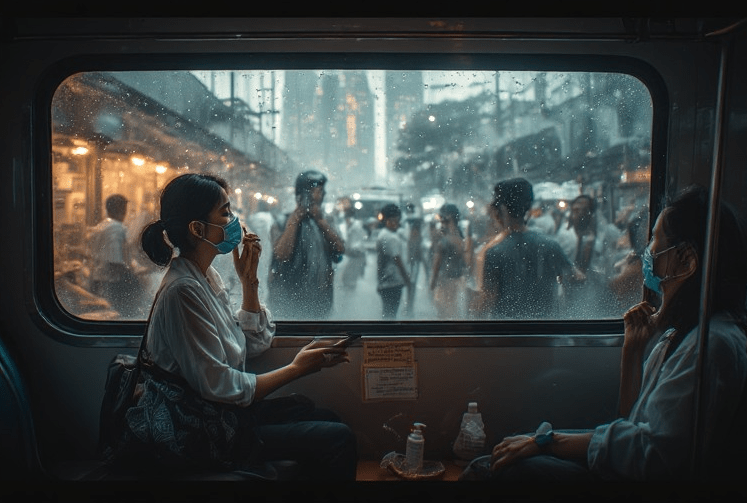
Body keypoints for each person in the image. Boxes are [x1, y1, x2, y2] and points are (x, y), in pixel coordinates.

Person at [460, 185, 747, 481]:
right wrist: (633, 352)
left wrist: (545, 442)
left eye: (655, 245)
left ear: (686, 261)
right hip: (628, 465)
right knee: (501, 454)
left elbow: (652, 453)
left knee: (491, 469)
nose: (647, 256)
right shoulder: (678, 335)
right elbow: (631, 422)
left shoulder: (710, 347)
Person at [126, 173, 357, 479]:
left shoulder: (206, 278)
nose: (234, 220)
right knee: (338, 437)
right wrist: (298, 368)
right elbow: (219, 386)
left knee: (320, 413)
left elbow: (249, 346)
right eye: (225, 212)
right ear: (197, 228)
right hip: (202, 430)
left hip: (221, 415)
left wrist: (250, 284)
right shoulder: (182, 292)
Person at [480, 178, 576, 320]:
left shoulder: (494, 252)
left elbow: (487, 301)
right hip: (547, 332)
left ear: (503, 209)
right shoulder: (551, 245)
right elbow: (575, 279)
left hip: (508, 334)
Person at [269, 171, 345, 320]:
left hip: (321, 298)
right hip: (288, 299)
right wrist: (295, 219)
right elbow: (282, 254)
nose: (323, 194)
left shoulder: (327, 220)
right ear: (305, 193)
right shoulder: (282, 222)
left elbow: (340, 249)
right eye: (319, 190)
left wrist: (321, 222)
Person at [565, 194, 623, 317]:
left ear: (592, 213)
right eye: (575, 210)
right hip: (572, 298)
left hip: (600, 297)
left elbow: (614, 262)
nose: (579, 214)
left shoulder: (608, 233)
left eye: (584, 210)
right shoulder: (565, 236)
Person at [89, 194, 142, 318]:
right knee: (121, 316)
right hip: (113, 283)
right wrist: (133, 277)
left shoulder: (101, 226)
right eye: (124, 209)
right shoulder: (117, 228)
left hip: (98, 281)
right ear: (123, 210)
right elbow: (115, 261)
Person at [429, 203, 468, 319]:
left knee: (444, 317)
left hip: (444, 283)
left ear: (448, 217)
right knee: (454, 315)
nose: (439, 219)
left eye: (441, 217)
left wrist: (432, 283)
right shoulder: (461, 238)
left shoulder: (444, 240)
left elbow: (436, 264)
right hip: (459, 282)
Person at [376, 204, 411, 319]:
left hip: (386, 281)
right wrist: (407, 279)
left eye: (397, 220)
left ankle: (385, 334)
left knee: (388, 313)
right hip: (392, 282)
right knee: (390, 315)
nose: (396, 223)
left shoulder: (386, 234)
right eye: (393, 220)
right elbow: (398, 260)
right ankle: (386, 335)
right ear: (387, 220)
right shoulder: (390, 237)